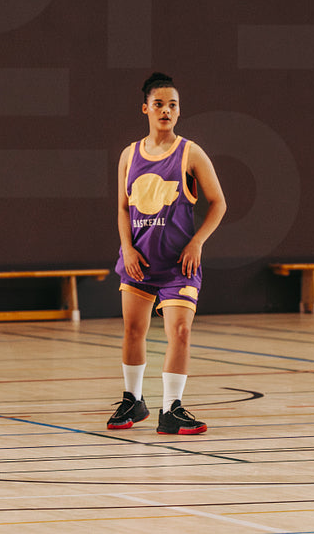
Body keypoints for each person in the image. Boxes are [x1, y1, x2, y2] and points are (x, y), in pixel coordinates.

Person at [106, 72, 227, 435]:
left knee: (181, 331)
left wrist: (197, 242)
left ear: (179, 110)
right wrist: (127, 248)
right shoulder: (129, 155)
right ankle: (133, 399)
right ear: (145, 108)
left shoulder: (191, 153)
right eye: (158, 104)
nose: (166, 110)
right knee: (133, 330)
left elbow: (218, 203)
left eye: (172, 105)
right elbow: (122, 208)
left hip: (178, 264)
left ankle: (171, 407)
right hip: (140, 261)